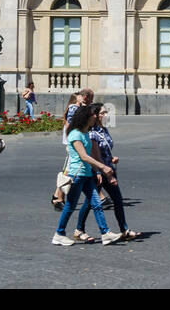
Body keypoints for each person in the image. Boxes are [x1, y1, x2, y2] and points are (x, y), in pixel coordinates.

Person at [54, 103, 122, 246]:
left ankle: (105, 233)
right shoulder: (75, 134)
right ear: (86, 117)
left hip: (87, 174)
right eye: (93, 115)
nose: (96, 117)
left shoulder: (85, 133)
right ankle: (59, 234)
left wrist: (96, 171)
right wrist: (103, 167)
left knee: (96, 204)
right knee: (71, 206)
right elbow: (84, 156)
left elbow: (90, 155)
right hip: (76, 174)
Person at [90, 104, 140, 240]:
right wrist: (102, 171)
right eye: (104, 113)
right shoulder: (92, 133)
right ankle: (78, 229)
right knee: (90, 203)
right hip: (99, 172)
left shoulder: (104, 130)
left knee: (117, 199)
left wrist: (112, 158)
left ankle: (124, 230)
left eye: (106, 112)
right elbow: (94, 155)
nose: (106, 115)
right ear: (97, 115)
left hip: (109, 169)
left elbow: (105, 149)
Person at [52, 89, 94, 209]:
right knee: (69, 170)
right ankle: (58, 197)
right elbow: (75, 124)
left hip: (78, 142)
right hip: (74, 143)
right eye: (88, 98)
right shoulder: (73, 108)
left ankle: (57, 196)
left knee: (70, 169)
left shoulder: (79, 107)